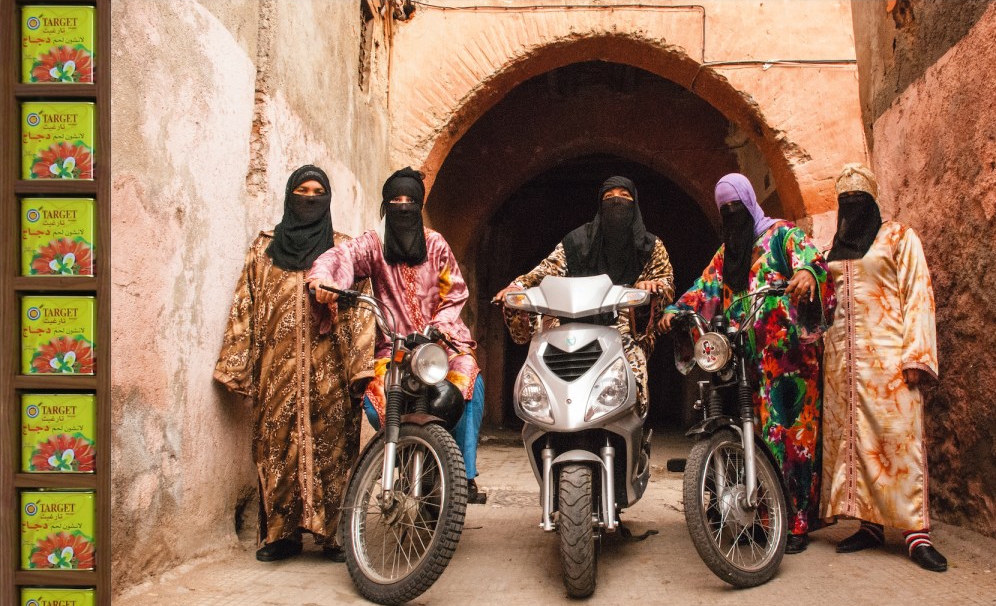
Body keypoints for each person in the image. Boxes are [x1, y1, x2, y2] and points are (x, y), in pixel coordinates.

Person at [661, 173, 834, 554]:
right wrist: (678, 310)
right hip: (745, 361)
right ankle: (761, 517)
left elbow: (813, 259)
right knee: (750, 437)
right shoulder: (727, 253)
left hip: (790, 362)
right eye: (724, 210)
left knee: (791, 441)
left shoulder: (782, 236)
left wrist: (806, 272)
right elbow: (703, 289)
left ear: (750, 202)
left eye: (735, 207)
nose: (730, 215)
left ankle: (797, 523)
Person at [214, 164, 376, 563]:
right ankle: (279, 537)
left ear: (328, 201)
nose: (309, 198)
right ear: (289, 196)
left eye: (317, 191)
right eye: (301, 190)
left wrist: (361, 369)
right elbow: (244, 306)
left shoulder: (343, 250)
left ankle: (334, 536)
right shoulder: (264, 249)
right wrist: (237, 365)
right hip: (276, 371)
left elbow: (360, 311)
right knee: (275, 448)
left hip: (331, 372)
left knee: (334, 449)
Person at [307, 167, 487, 504]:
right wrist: (322, 280)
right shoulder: (374, 244)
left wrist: (441, 327)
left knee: (469, 383)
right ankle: (402, 452)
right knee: (376, 400)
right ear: (385, 206)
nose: (402, 207)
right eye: (395, 201)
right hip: (394, 347)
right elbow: (340, 255)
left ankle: (463, 475)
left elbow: (455, 292)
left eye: (410, 201)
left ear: (419, 208)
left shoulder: (435, 244)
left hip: (441, 345)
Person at [819, 163, 948, 572]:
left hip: (891, 363)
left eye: (858, 201)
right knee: (854, 446)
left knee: (899, 443)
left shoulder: (899, 238)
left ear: (872, 201)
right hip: (844, 367)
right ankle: (868, 526)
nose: (851, 209)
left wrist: (916, 356)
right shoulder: (832, 249)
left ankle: (916, 533)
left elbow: (918, 293)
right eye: (844, 203)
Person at [493, 175, 674, 418]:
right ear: (600, 206)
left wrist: (652, 286)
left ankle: (631, 422)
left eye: (624, 197)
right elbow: (544, 271)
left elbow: (666, 282)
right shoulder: (577, 241)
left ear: (635, 205)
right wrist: (516, 287)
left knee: (632, 364)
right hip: (571, 318)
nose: (616, 203)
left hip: (621, 326)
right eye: (609, 198)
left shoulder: (650, 246)